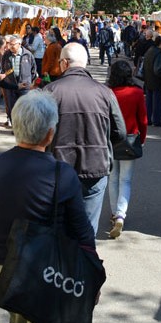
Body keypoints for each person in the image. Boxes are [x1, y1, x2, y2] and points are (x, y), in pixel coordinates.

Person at [0, 91, 97, 323]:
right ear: (50, 133)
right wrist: (92, 276)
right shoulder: (62, 174)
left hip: (3, 267)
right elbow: (82, 230)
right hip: (46, 270)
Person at [45, 43, 126, 236]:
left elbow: (38, 132)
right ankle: (84, 253)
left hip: (58, 166)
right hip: (95, 165)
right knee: (87, 229)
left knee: (60, 225)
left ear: (65, 63)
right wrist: (102, 144)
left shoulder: (50, 91)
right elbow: (120, 132)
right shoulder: (105, 92)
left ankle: (64, 254)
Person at [106, 60, 147, 239]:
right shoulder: (137, 92)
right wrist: (142, 139)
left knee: (112, 178)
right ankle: (121, 214)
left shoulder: (107, 92)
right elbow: (143, 119)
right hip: (130, 138)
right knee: (126, 180)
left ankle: (114, 213)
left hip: (110, 139)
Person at [1, 34, 37, 128]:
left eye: (13, 44)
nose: (11, 46)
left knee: (24, 108)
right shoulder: (6, 55)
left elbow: (33, 70)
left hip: (24, 86)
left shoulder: (28, 55)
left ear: (19, 44)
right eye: (10, 44)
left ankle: (24, 127)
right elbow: (2, 68)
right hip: (11, 86)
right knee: (12, 108)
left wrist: (28, 81)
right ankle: (15, 127)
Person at [143, 35, 161, 127]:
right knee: (157, 102)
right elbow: (157, 69)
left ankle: (148, 119)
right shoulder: (158, 53)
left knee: (149, 101)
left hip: (148, 79)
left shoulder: (150, 50)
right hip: (156, 81)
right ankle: (156, 121)